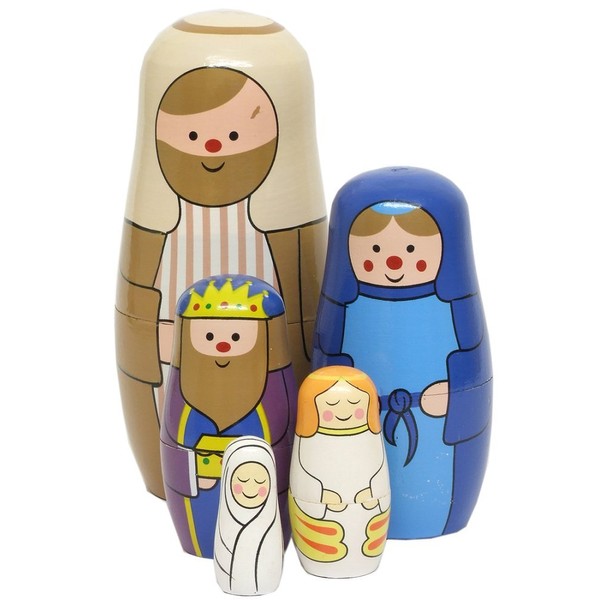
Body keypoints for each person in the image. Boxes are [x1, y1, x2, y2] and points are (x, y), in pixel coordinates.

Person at [116, 10, 327, 499]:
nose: (212, 147)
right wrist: (157, 349)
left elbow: (303, 315)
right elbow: (139, 300)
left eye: (234, 136)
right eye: (191, 136)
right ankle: (170, 480)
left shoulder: (285, 234)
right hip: (170, 353)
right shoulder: (160, 230)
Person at [313, 167, 493, 538]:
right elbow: (332, 364)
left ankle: (443, 516)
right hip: (360, 420)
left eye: (411, 249)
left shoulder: (450, 306)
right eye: (375, 250)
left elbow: (468, 357)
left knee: (440, 466)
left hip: (434, 420)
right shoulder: (346, 309)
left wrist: (449, 393)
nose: (393, 262)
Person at [160, 275, 297, 558]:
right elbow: (175, 440)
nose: (222, 345)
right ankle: (200, 543)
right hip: (202, 486)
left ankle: (264, 550)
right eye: (209, 337)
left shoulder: (274, 387)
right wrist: (195, 472)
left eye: (236, 337)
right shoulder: (185, 391)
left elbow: (281, 435)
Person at [289, 366, 390, 578]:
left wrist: (370, 489)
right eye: (332, 406)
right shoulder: (308, 441)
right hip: (320, 507)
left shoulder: (370, 437)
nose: (344, 413)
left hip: (368, 505)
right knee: (327, 536)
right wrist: (321, 493)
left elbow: (378, 466)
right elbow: (305, 472)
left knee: (367, 535)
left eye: (355, 404)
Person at [214, 437, 283, 595]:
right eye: (243, 481)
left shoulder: (269, 523)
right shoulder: (227, 523)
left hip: (269, 580)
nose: (250, 489)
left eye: (260, 482)